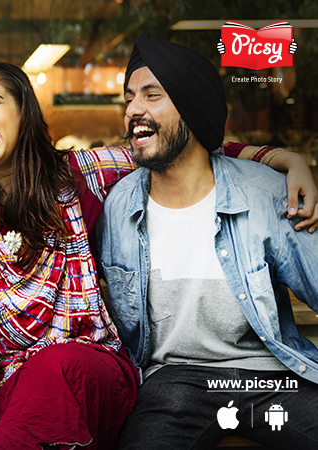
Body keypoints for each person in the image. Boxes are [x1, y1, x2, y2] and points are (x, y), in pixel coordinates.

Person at [0, 62, 317, 449]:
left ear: (23, 107)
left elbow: (189, 145)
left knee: (53, 371)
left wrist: (283, 158)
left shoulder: (79, 172)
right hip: (4, 375)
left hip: (87, 368)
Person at [97, 34, 318, 449]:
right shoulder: (118, 206)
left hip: (273, 376)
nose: (132, 110)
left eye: (151, 95)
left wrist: (289, 159)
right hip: (173, 382)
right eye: (128, 98)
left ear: (192, 108)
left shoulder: (264, 194)